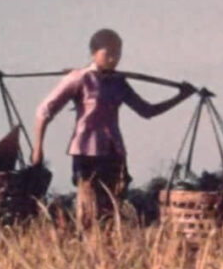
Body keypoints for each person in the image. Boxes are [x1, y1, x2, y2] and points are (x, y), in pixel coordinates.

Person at [30, 29, 195, 227]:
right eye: (107, 54)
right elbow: (44, 111)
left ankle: (107, 249)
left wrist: (180, 96)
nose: (113, 59)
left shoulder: (118, 82)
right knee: (88, 208)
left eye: (117, 54)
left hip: (113, 151)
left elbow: (147, 111)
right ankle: (87, 244)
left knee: (112, 207)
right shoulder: (80, 78)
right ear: (93, 53)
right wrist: (38, 148)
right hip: (86, 151)